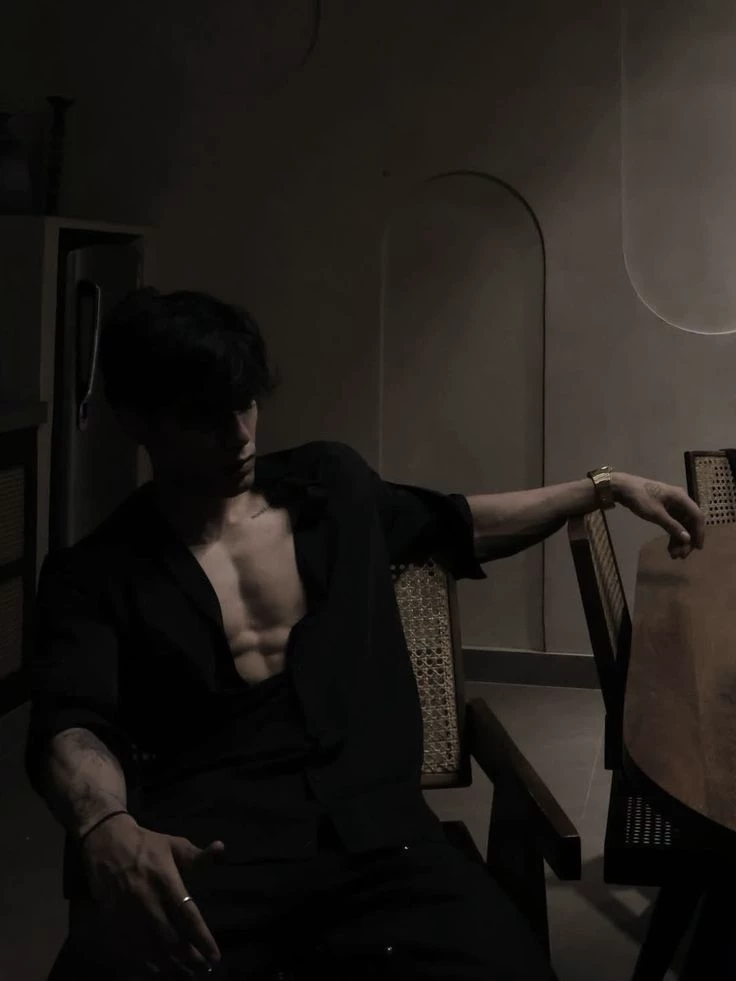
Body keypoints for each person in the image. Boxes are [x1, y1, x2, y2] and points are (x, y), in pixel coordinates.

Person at [25, 288, 705, 981]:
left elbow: (463, 523)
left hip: (388, 852)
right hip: (215, 868)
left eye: (246, 403)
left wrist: (604, 486)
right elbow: (71, 724)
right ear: (137, 421)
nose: (240, 436)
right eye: (204, 418)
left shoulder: (331, 487)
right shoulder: (95, 573)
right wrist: (103, 822)